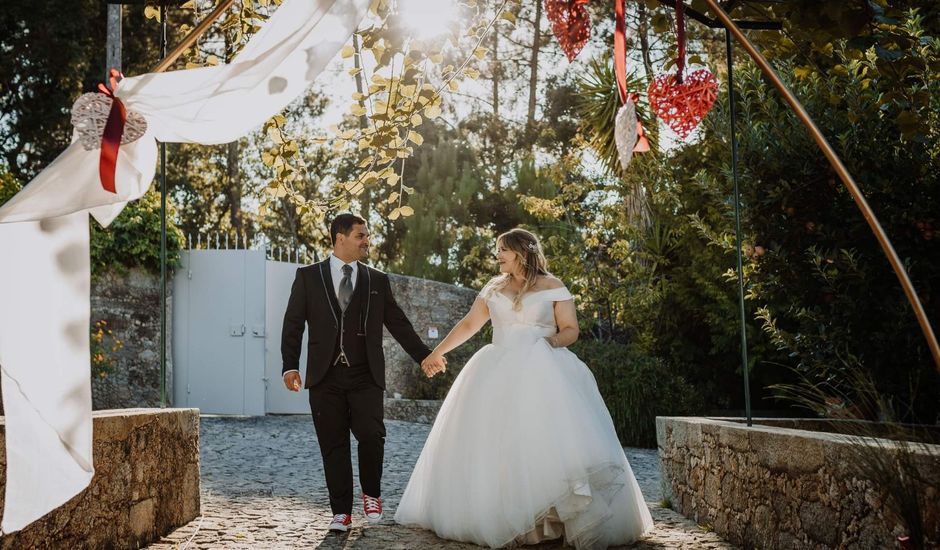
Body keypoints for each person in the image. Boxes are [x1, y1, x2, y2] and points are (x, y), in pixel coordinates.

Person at [394, 228, 653, 549]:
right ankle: (509, 518)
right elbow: (469, 325)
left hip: (545, 371)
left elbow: (570, 329)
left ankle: (552, 520)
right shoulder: (492, 288)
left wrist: (549, 344)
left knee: (547, 443)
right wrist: (437, 352)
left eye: (502, 249)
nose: (497, 255)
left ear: (522, 252)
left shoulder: (554, 286)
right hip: (496, 369)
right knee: (498, 445)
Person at [281, 213, 444, 532]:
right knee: (333, 443)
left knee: (372, 435)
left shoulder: (376, 280)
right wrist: (290, 365)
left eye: (366, 235)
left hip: (365, 375)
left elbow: (397, 322)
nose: (366, 241)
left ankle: (372, 493)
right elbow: (293, 324)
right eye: (360, 235)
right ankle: (340, 511)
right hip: (324, 377)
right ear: (339, 238)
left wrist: (424, 355)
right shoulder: (308, 276)